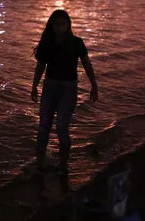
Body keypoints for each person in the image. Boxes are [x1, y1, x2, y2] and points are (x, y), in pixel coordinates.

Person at [31, 9, 98, 174]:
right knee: (44, 126)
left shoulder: (77, 43)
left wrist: (94, 85)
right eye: (57, 24)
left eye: (63, 24)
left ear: (68, 25)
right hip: (50, 87)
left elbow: (87, 64)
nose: (60, 27)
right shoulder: (47, 43)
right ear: (52, 26)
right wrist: (34, 86)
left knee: (62, 127)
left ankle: (63, 165)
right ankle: (40, 163)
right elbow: (40, 67)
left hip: (68, 89)